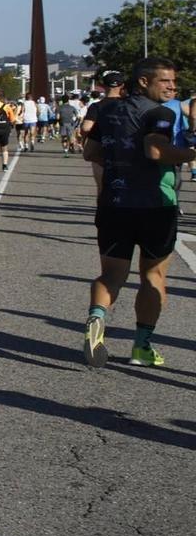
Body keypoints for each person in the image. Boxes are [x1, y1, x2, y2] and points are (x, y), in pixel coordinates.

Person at [83, 58, 193, 368]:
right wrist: (190, 154)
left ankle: (96, 319)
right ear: (143, 82)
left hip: (113, 204)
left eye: (174, 82)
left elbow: (90, 152)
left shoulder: (105, 109)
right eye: (165, 81)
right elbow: (156, 151)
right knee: (153, 275)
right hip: (155, 205)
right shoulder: (159, 113)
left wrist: (122, 159)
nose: (172, 87)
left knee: (111, 275)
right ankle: (142, 346)